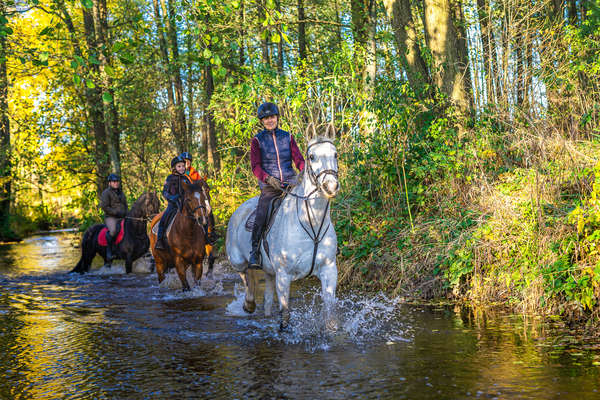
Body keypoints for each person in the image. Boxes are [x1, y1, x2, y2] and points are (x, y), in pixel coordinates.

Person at [248, 102, 305, 269]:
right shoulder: (257, 140)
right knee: (261, 214)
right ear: (262, 121)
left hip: (291, 183)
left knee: (312, 204)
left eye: (272, 117)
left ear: (277, 117)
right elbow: (255, 166)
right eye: (266, 118)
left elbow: (299, 159)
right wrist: (267, 178)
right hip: (270, 187)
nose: (269, 120)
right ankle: (255, 251)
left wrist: (303, 171)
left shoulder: (288, 137)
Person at [180, 151, 217, 245]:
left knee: (208, 210)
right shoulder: (179, 173)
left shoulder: (194, 173)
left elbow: (201, 184)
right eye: (185, 161)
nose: (187, 163)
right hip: (184, 199)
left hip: (196, 199)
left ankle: (210, 234)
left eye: (188, 161)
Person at [155, 156, 187, 250]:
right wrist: (172, 198)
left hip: (185, 205)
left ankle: (206, 237)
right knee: (163, 221)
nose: (182, 168)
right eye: (179, 166)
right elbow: (164, 192)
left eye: (183, 166)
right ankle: (159, 241)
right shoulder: (170, 178)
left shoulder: (186, 179)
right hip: (173, 206)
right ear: (174, 168)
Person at [99, 174, 128, 261]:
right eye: (114, 182)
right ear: (110, 183)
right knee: (113, 230)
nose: (116, 183)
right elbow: (104, 207)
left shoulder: (121, 193)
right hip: (111, 217)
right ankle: (109, 251)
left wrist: (127, 212)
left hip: (123, 216)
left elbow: (125, 205)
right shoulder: (106, 193)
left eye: (117, 181)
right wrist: (115, 212)